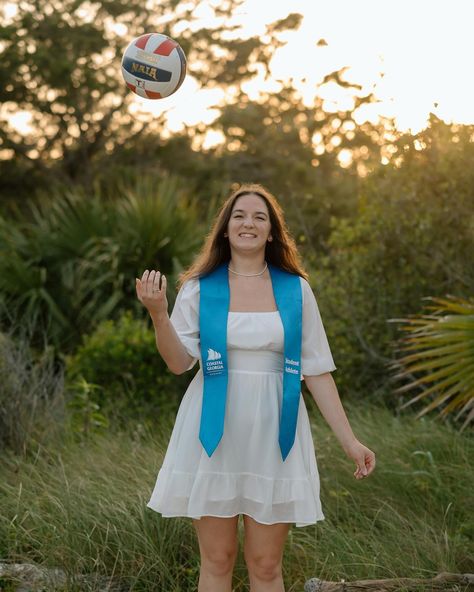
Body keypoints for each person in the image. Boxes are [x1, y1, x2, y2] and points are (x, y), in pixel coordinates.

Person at [136, 183, 376, 592]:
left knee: (265, 565)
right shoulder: (199, 287)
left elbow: (317, 371)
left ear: (272, 232)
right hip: (213, 430)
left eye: (260, 217)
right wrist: (159, 316)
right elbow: (178, 363)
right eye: (240, 216)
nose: (249, 223)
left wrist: (350, 442)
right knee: (217, 559)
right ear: (225, 229)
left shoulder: (296, 289)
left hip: (274, 428)